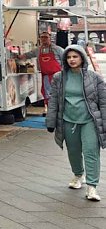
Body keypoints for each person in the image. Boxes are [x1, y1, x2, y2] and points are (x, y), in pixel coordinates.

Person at [45, 45, 106, 202]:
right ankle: (78, 175)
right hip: (68, 120)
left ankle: (92, 187)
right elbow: (53, 101)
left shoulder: (95, 78)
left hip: (89, 120)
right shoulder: (59, 77)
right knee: (73, 151)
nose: (72, 60)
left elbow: (104, 102)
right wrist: (50, 121)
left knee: (91, 151)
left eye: (75, 57)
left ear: (82, 58)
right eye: (69, 57)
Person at [24, 32, 63, 107]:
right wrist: (17, 56)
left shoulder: (57, 49)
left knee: (58, 93)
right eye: (42, 37)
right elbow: (28, 55)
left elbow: (65, 58)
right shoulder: (38, 50)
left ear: (49, 38)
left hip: (58, 75)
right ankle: (51, 109)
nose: (44, 39)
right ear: (39, 39)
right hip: (45, 76)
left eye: (46, 37)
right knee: (47, 94)